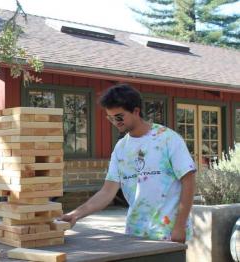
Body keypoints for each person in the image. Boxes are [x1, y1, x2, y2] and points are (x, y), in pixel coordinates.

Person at [60, 83, 196, 243]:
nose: (115, 122)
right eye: (110, 118)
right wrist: (75, 214)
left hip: (168, 233)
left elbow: (189, 182)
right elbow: (107, 192)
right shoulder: (121, 148)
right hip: (135, 234)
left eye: (119, 116)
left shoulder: (168, 139)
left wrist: (179, 226)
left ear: (136, 111)